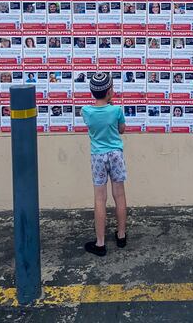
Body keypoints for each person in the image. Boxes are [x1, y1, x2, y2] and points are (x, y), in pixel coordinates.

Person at [81, 72, 127, 257]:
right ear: (109, 92)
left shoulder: (86, 111)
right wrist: (112, 107)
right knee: (120, 195)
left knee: (100, 198)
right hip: (116, 154)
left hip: (98, 156)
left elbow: (92, 127)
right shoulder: (116, 111)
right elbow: (121, 130)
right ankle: (121, 236)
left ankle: (100, 243)